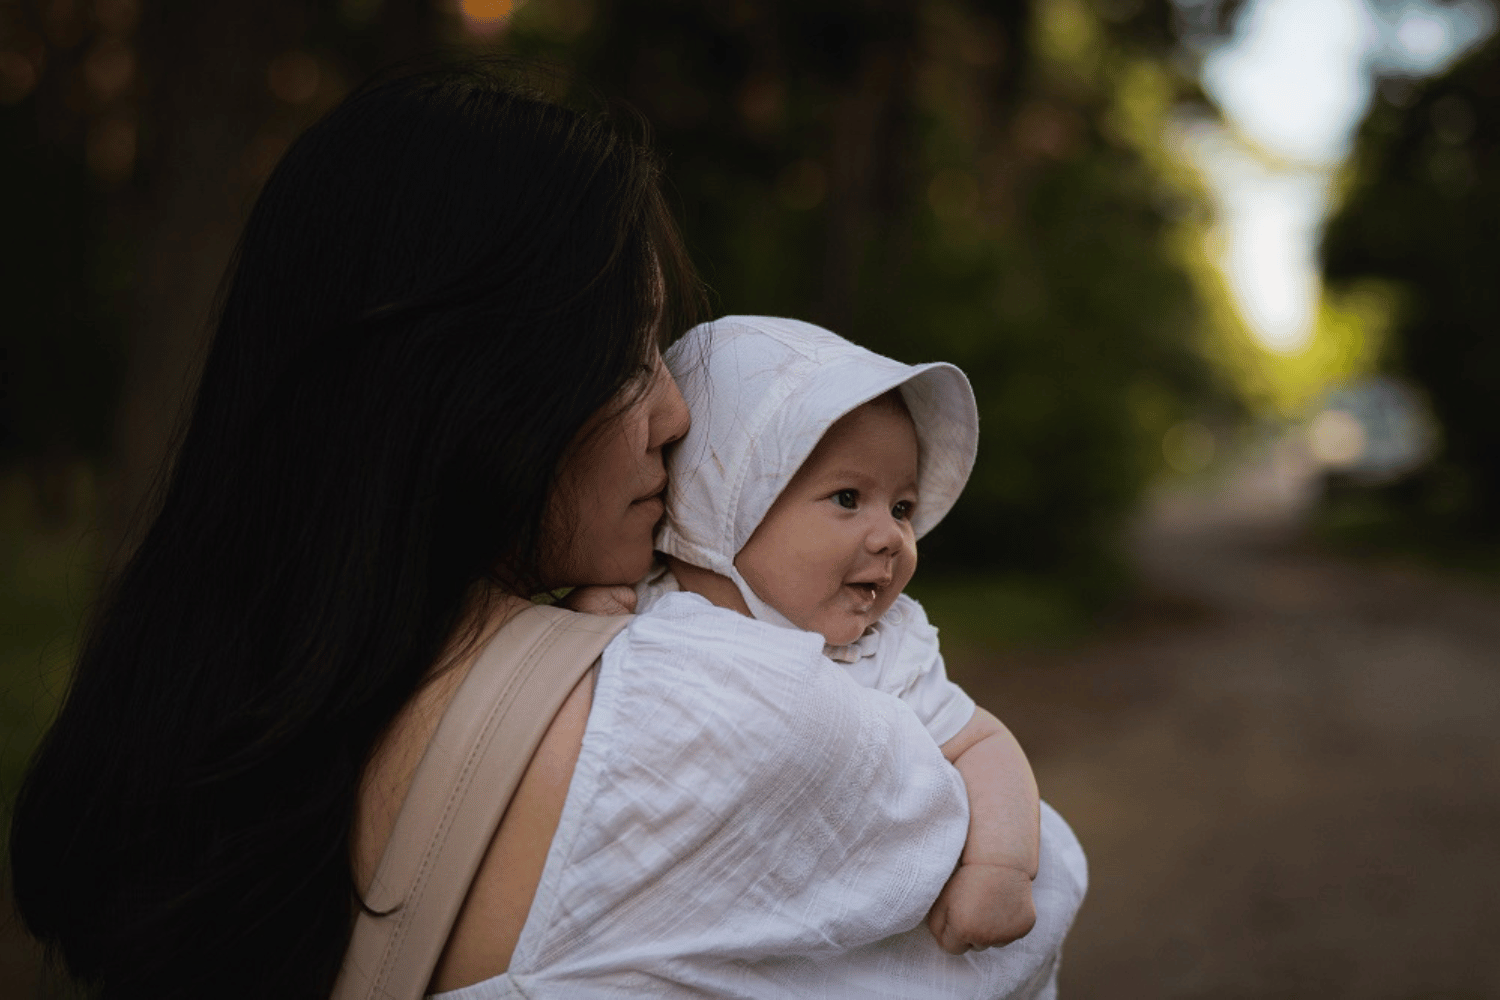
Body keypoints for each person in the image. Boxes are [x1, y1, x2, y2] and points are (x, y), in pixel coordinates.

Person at [8, 62, 1084, 1000]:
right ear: (468, 389)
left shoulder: (209, 724)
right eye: (626, 356)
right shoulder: (696, 715)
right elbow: (1043, 892)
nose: (675, 416)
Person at [611, 314, 1056, 956]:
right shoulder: (645, 610)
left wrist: (1003, 867)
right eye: (848, 498)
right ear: (720, 502)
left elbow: (981, 742)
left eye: (902, 507)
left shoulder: (887, 645)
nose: (892, 537)